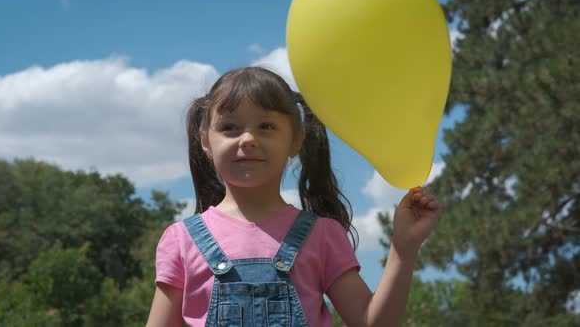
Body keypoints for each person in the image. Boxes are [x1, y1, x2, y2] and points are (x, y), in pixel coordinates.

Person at [146, 67, 441, 327]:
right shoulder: (181, 240)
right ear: (205, 141)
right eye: (229, 128)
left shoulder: (323, 235)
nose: (247, 139)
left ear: (297, 140)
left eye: (266, 127)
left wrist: (403, 248)